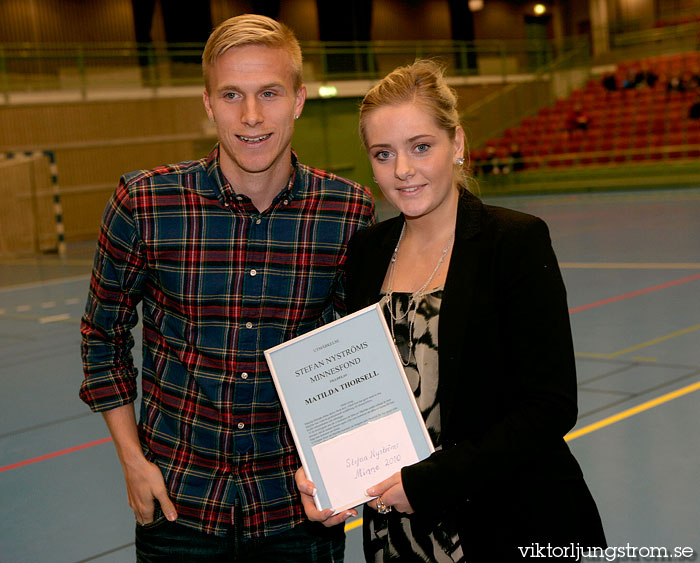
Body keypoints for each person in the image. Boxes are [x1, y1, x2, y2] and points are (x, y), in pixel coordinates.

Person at [79, 14, 374, 562]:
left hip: (297, 509)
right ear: (209, 103)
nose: (252, 115)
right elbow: (102, 336)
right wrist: (131, 460)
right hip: (178, 504)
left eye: (270, 93)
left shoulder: (347, 211)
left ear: (300, 99)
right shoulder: (145, 203)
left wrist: (347, 465)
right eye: (232, 94)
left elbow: (362, 350)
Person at [296, 60, 606, 561]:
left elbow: (550, 407)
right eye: (383, 153)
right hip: (399, 536)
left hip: (510, 520)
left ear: (457, 144)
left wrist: (428, 482)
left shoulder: (514, 242)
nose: (402, 169)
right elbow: (355, 393)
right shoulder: (366, 254)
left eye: (421, 146)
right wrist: (327, 474)